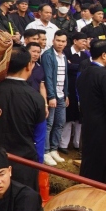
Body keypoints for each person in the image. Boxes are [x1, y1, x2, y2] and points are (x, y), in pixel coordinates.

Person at [0, 46, 47, 193]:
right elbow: (39, 138)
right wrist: (38, 164)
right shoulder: (36, 98)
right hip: (24, 164)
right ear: (29, 65)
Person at [76, 40, 106, 184]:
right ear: (103, 55)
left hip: (88, 124)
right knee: (100, 163)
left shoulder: (84, 73)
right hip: (103, 127)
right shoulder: (104, 75)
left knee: (88, 159)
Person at [40, 31, 69, 166]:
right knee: (49, 124)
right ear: (53, 41)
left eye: (63, 41)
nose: (60, 43)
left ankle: (54, 149)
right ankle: (45, 151)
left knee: (60, 123)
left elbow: (65, 78)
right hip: (53, 96)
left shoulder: (63, 56)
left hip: (62, 95)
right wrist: (51, 96)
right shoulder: (48, 55)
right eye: (58, 40)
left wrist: (66, 94)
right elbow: (48, 78)